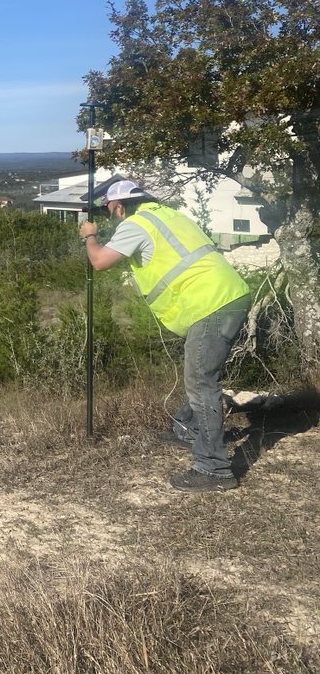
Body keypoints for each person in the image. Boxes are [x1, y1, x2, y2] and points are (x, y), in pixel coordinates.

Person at [78, 179, 251, 492]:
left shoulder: (136, 224)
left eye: (107, 211)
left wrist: (89, 237)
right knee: (200, 372)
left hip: (210, 302)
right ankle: (186, 428)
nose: (108, 216)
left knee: (201, 381)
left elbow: (100, 261)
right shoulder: (169, 216)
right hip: (226, 295)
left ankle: (214, 469)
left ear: (117, 206)